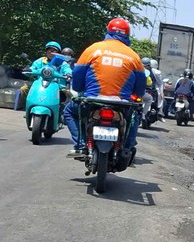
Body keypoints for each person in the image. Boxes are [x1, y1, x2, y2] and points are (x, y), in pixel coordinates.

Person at [63, 18, 147, 160]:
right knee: (134, 116)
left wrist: (79, 88)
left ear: (108, 31)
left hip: (92, 100)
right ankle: (127, 147)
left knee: (69, 111)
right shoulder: (133, 56)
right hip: (121, 103)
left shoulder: (93, 49)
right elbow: (140, 87)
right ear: (127, 35)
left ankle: (81, 145)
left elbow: (77, 74)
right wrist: (135, 95)